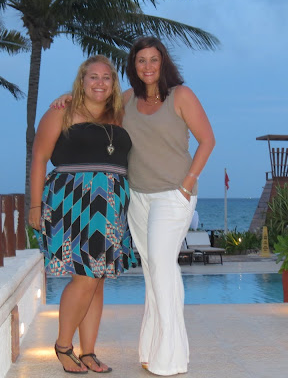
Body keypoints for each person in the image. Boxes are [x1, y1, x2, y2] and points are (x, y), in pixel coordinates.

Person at [30, 54, 136, 374]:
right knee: (85, 277)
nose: (100, 83)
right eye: (93, 77)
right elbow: (39, 158)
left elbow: (151, 89)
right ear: (81, 81)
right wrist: (34, 206)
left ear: (114, 83)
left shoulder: (120, 113)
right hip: (73, 201)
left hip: (112, 201)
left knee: (97, 280)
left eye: (107, 77)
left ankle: (88, 352)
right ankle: (64, 346)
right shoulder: (60, 112)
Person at [123, 37, 215, 376]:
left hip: (174, 194)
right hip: (138, 196)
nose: (147, 66)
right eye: (141, 60)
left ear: (163, 63)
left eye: (153, 59)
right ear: (133, 66)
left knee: (162, 266)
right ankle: (151, 348)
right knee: (152, 271)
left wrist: (187, 184)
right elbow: (92, 108)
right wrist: (67, 99)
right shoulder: (126, 100)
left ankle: (171, 356)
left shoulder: (181, 95)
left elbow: (208, 140)